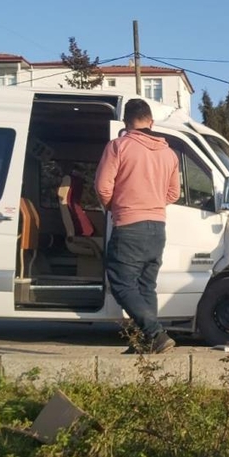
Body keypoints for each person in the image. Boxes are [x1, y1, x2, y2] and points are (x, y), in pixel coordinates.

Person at [95, 98, 180, 355]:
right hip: (158, 226)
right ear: (151, 121)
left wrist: (116, 206)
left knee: (120, 282)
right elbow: (174, 193)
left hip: (129, 224)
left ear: (126, 122)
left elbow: (102, 187)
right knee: (146, 285)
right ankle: (148, 342)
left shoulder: (118, 147)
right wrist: (152, 202)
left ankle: (155, 333)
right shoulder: (169, 153)